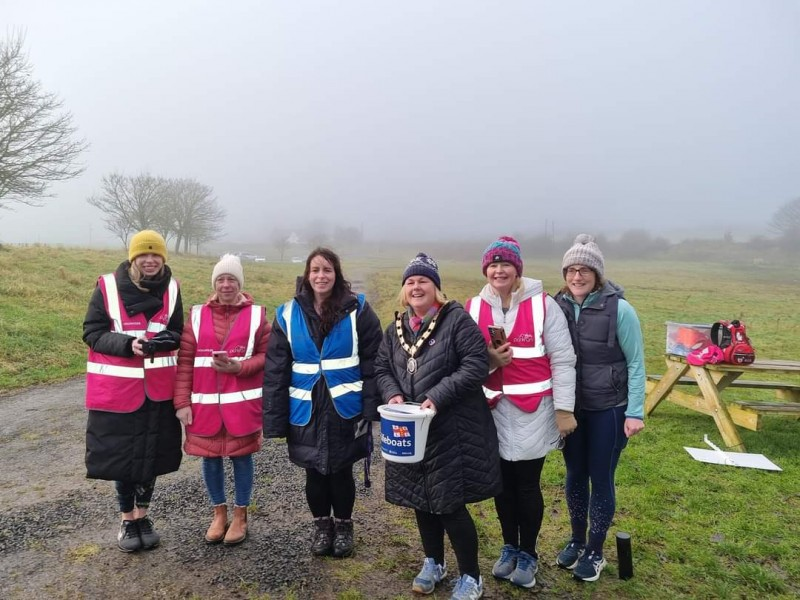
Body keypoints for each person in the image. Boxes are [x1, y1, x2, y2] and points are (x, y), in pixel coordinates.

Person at [375, 252, 502, 600]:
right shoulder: (396, 328)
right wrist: (394, 395)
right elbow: (383, 368)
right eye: (411, 282)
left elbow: (476, 365)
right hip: (410, 431)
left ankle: (471, 577)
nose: (417, 287)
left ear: (436, 287)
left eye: (423, 281)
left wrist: (438, 395)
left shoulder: (456, 321)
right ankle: (434, 562)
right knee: (420, 499)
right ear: (404, 290)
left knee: (448, 504)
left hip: (451, 430)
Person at [465, 236, 576, 589]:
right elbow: (463, 362)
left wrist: (564, 410)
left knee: (527, 485)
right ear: (486, 270)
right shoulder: (473, 308)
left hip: (534, 412)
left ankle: (528, 553)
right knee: (501, 486)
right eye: (493, 265)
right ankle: (508, 547)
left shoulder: (545, 306)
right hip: (491, 412)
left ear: (517, 270)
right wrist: (488, 361)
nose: (499, 270)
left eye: (506, 264)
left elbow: (563, 359)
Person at [263, 247, 382, 558]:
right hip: (304, 410)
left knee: (342, 471)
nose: (321, 276)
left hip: (347, 409)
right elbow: (276, 370)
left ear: (336, 274)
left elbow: (374, 361)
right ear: (307, 274)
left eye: (327, 270)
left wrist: (371, 408)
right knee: (313, 472)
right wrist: (274, 420)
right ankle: (321, 526)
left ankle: (344, 526)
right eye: (315, 270)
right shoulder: (286, 314)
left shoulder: (359, 309)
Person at [82, 229, 183, 552]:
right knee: (121, 459)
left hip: (158, 390)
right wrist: (128, 344)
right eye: (144, 254)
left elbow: (177, 330)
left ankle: (144, 515)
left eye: (156, 254)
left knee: (150, 457)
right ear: (133, 257)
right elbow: (93, 332)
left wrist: (166, 340)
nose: (150, 260)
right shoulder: (107, 286)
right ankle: (127, 519)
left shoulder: (173, 287)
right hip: (118, 391)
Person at [553, 234, 646, 582]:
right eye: (571, 270)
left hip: (609, 408)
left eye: (584, 270)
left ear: (597, 274)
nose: (577, 277)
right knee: (575, 473)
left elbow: (636, 363)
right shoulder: (556, 306)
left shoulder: (620, 309)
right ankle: (577, 540)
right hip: (570, 409)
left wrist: (635, 411)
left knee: (601, 476)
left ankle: (596, 549)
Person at [173, 254, 270, 545]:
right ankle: (219, 513)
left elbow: (268, 357)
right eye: (221, 279)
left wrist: (240, 367)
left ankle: (240, 515)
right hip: (204, 406)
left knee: (242, 457)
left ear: (240, 283)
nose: (226, 284)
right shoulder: (197, 315)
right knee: (210, 459)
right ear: (214, 283)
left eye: (231, 279)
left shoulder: (257, 317)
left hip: (241, 406)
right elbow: (185, 362)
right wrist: (181, 403)